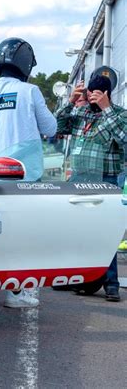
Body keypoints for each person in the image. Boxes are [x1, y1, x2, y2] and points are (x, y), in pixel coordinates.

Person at [0, 37, 57, 309]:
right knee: (21, 238)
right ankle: (16, 294)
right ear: (25, 64)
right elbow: (51, 128)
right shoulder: (30, 92)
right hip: (21, 178)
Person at [55, 69, 126, 302]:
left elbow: (124, 138)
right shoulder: (82, 112)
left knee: (104, 233)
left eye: (97, 93)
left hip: (106, 180)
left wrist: (106, 108)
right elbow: (57, 127)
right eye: (90, 92)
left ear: (106, 93)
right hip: (78, 178)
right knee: (76, 231)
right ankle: (74, 277)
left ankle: (111, 284)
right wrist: (70, 102)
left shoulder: (119, 114)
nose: (92, 97)